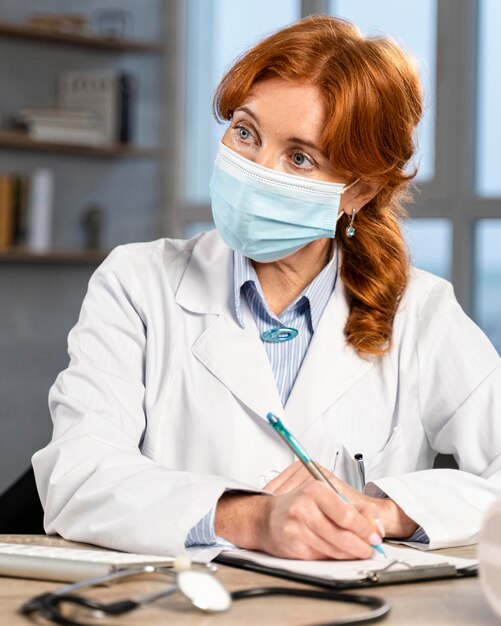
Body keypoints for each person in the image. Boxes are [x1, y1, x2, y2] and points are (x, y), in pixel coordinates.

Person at [33, 15, 501, 560]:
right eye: (245, 132)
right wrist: (252, 518)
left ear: (358, 192)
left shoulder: (420, 313)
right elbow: (75, 474)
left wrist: (382, 509)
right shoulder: (137, 284)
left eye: (299, 157)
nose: (254, 169)